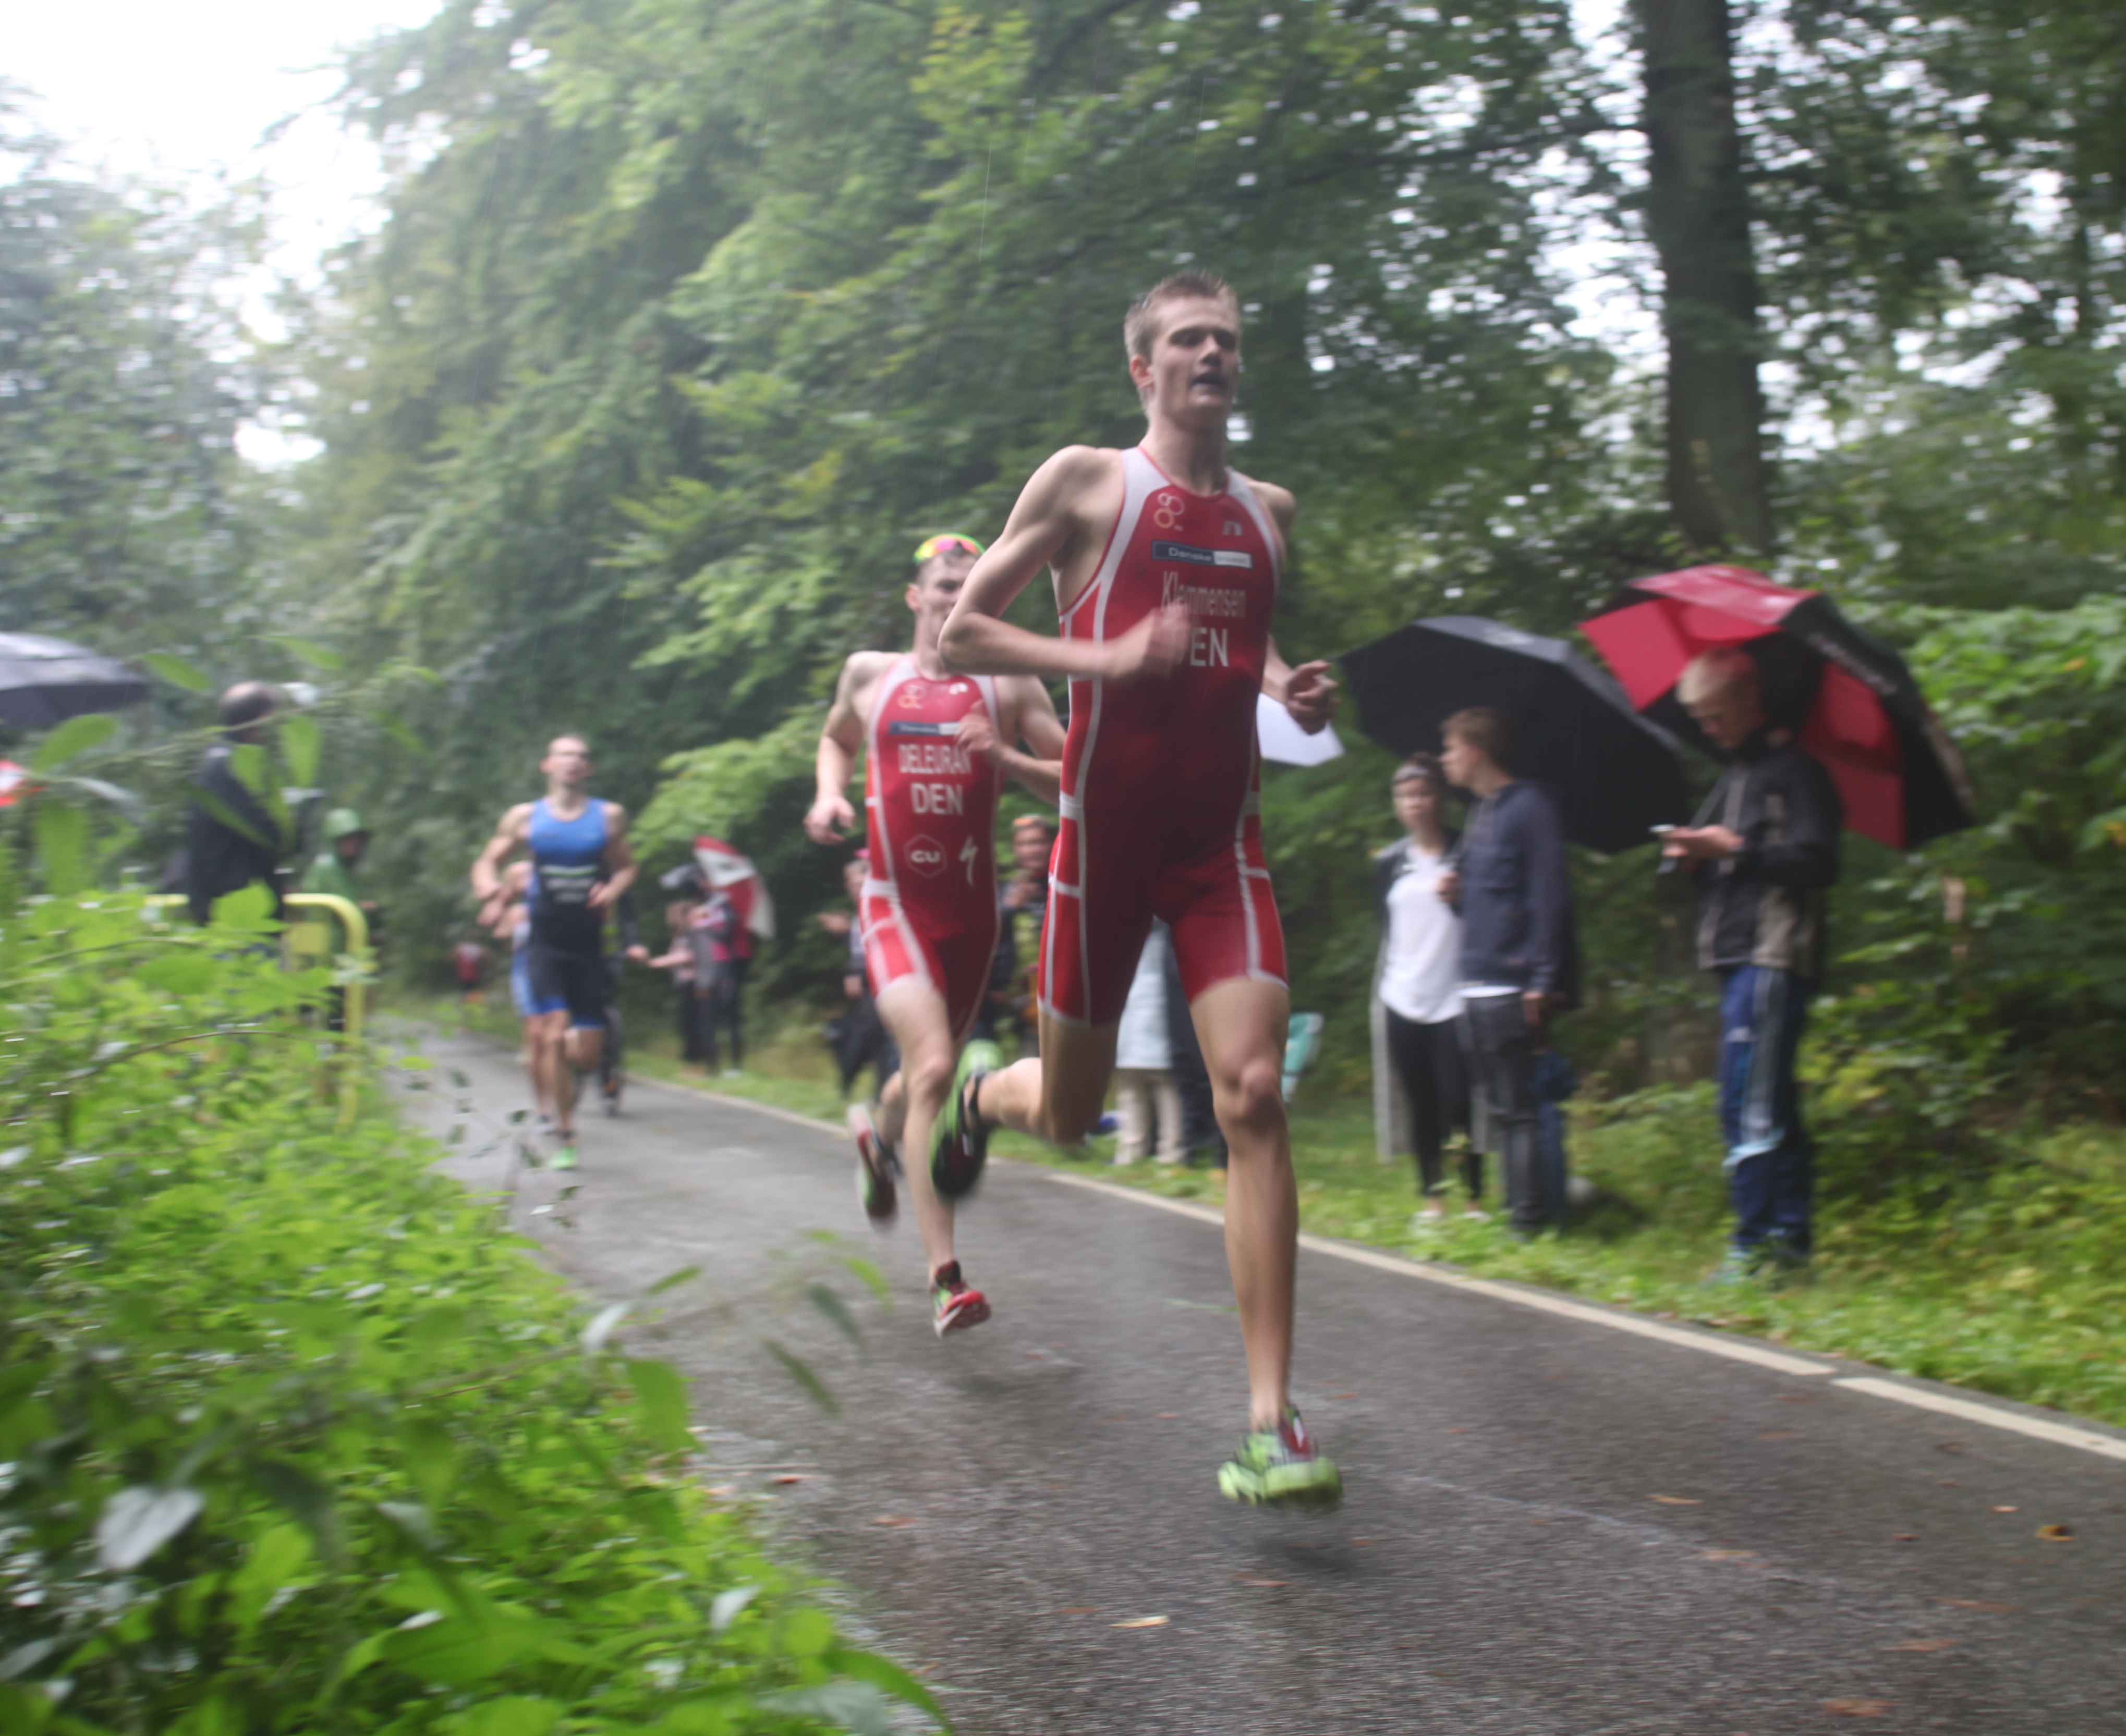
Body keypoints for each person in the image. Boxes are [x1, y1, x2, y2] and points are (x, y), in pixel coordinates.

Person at [934, 271, 1343, 1508]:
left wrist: (1282, 687)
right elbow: (961, 631)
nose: (1211, 350)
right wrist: (1102, 655)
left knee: (1254, 1092)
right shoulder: (1087, 482)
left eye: (1226, 334)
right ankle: (977, 1090)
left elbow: (1239, 627)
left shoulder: (1267, 514)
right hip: (1099, 846)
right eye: (1186, 338)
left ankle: (1271, 1423)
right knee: (1065, 1112)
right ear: (1143, 369)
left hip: (1218, 847)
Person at [804, 533, 1065, 1336]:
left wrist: (1009, 761)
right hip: (892, 906)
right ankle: (945, 1277)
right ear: (917, 598)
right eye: (944, 583)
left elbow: (1080, 779)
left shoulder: (1011, 683)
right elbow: (837, 737)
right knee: (940, 1068)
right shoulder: (870, 674)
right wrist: (828, 795)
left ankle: (877, 1141)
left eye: (971, 583)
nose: (957, 595)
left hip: (971, 916)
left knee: (923, 1079)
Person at [1661, 647, 1842, 1280]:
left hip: (1775, 955)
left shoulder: (1798, 772)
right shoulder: (1730, 778)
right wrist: (1695, 858)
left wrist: (1736, 847)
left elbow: (1820, 864)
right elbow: (1730, 872)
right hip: (1734, 954)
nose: (1709, 730)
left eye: (1716, 716)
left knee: (1746, 1105)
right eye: (1699, 720)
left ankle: (1752, 1245)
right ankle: (1791, 1248)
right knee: (1773, 1104)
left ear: (1749, 699)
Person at [1438, 707, 1576, 1240]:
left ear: (1475, 753)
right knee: (1499, 1110)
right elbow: (1489, 903)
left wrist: (1542, 979)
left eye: (1451, 749)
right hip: (1474, 981)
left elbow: (1549, 897)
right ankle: (1524, 1214)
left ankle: (1529, 1224)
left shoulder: (1531, 806)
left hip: (1512, 983)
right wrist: (1457, 898)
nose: (1446, 760)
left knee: (1519, 1112)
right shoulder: (1480, 813)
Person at [470, 735, 637, 1171]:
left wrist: (612, 889)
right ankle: (566, 1132)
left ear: (589, 769)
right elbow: (487, 860)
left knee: (585, 1051)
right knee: (550, 1033)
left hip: (588, 944)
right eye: (565, 755)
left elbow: (627, 866)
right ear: (548, 764)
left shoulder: (608, 817)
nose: (573, 762)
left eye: (582, 757)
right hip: (545, 943)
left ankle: (572, 1080)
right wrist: (487, 886)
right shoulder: (526, 817)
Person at [1370, 755, 1474, 1219]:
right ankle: (1432, 1196)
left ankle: (1473, 1196)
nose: (1416, 804)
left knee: (1458, 1098)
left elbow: (1486, 917)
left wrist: (1465, 897)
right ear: (1397, 804)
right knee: (1420, 1101)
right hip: (1401, 996)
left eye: (1424, 793)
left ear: (1442, 798)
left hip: (1455, 997)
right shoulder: (1389, 861)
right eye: (1406, 796)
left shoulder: (1467, 852)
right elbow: (1385, 924)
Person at [185, 682, 291, 925]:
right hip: (239, 917)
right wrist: (292, 819)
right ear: (261, 720)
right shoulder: (235, 769)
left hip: (224, 909)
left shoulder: (216, 764)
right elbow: (273, 834)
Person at [1112, 922, 1185, 1165]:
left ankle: (1140, 1149)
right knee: (1160, 1090)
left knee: (1149, 1090)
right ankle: (1166, 1150)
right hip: (1141, 1019)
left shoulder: (1156, 933)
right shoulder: (1167, 934)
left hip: (1147, 1017)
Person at [992, 814, 1055, 1052]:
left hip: (1060, 987)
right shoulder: (1007, 890)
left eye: (1039, 842)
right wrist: (1009, 909)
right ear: (1015, 849)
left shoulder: (1063, 883)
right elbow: (993, 940)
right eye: (1025, 844)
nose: (1033, 850)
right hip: (1021, 995)